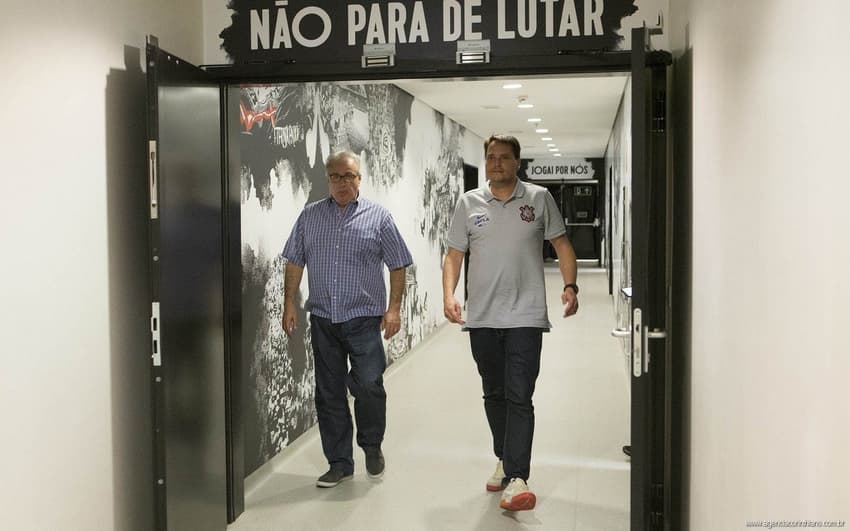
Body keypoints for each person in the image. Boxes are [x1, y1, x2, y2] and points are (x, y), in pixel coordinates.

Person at [442, 134, 579, 512]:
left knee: (519, 394)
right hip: (483, 317)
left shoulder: (538, 199)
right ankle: (504, 458)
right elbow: (454, 254)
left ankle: (518, 477)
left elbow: (562, 244)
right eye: (490, 157)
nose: (496, 163)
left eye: (504, 157)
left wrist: (570, 286)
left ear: (518, 162)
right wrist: (448, 295)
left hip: (526, 316)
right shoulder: (468, 203)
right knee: (494, 394)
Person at [282, 150, 413, 488]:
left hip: (364, 318)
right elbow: (294, 261)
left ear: (359, 179)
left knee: (369, 383)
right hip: (323, 318)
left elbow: (398, 263)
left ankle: (371, 445)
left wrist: (394, 308)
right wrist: (289, 303)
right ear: (328, 179)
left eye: (349, 176)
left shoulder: (378, 218)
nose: (343, 183)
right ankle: (339, 462)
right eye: (336, 177)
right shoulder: (309, 217)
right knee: (328, 393)